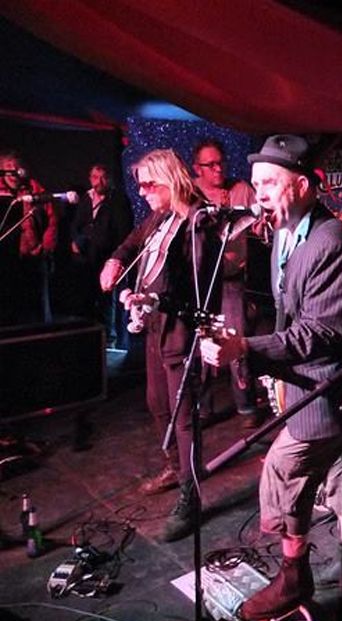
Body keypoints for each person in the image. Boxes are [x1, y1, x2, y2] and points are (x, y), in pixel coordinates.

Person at [200, 135, 342, 621]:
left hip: (335, 384)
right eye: (257, 183)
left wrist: (248, 349)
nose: (259, 193)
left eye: (270, 183)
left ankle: (293, 577)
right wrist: (274, 372)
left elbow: (322, 332)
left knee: (284, 470)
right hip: (306, 376)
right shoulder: (284, 234)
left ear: (303, 186)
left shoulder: (330, 241)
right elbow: (289, 315)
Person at [99, 149, 221, 541]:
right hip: (155, 326)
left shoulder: (196, 222)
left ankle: (190, 495)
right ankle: (177, 467)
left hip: (180, 328)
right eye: (140, 186)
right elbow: (133, 240)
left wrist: (151, 299)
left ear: (170, 180)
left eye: (149, 185)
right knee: (157, 404)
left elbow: (196, 288)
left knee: (183, 416)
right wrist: (116, 260)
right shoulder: (160, 216)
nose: (143, 192)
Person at [191, 138, 260, 427]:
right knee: (201, 344)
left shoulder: (241, 189)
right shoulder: (190, 192)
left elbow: (262, 218)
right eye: (211, 165)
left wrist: (260, 223)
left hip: (232, 280)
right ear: (197, 168)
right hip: (200, 284)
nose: (218, 169)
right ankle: (203, 408)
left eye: (221, 162)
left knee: (236, 340)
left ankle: (246, 406)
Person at [68, 164, 133, 340]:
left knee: (107, 301)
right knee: (85, 298)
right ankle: (86, 335)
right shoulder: (86, 198)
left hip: (106, 257)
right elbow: (76, 224)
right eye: (95, 177)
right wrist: (75, 241)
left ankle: (109, 338)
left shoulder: (117, 200)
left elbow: (124, 230)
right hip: (86, 258)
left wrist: (116, 255)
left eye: (103, 177)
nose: (99, 182)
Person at [0, 151, 58, 325]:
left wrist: (46, 246)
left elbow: (53, 219)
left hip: (34, 254)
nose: (13, 174)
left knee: (37, 304)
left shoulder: (36, 189)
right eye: (9, 169)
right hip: (6, 257)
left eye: (17, 169)